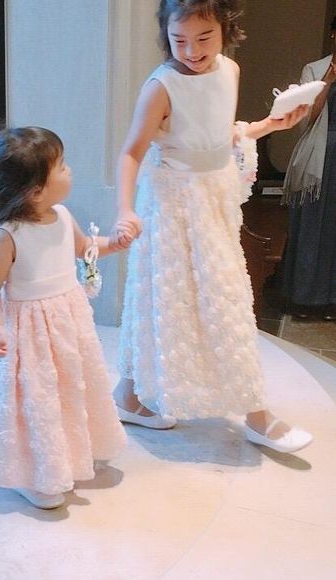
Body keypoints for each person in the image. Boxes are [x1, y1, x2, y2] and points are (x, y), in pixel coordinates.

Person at [112, 0, 313, 453]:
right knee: (162, 298)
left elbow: (218, 137)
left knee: (223, 299)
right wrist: (124, 209)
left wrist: (271, 124)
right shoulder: (160, 87)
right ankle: (254, 414)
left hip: (213, 202)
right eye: (179, 40)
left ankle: (129, 396)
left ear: (226, 29)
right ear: (166, 36)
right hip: (171, 204)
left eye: (203, 38)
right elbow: (131, 152)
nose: (192, 50)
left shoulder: (230, 71)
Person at [0, 126, 128, 509]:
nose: (69, 171)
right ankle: (33, 471)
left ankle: (68, 452)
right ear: (35, 191)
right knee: (35, 399)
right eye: (62, 166)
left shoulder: (63, 216)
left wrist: (114, 243)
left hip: (66, 322)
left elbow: (84, 248)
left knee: (67, 389)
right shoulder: (7, 235)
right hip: (27, 332)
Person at [282, 17, 336, 321]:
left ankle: (332, 301)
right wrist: (328, 80)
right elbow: (306, 119)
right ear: (333, 34)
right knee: (312, 228)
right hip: (319, 155)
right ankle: (304, 299)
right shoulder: (314, 70)